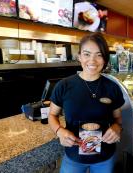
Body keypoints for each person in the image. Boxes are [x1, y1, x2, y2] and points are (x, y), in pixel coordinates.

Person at [48, 32, 125, 173]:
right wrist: (59, 131)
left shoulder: (112, 87)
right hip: (73, 157)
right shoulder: (63, 86)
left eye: (99, 55)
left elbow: (118, 119)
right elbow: (52, 115)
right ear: (79, 57)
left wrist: (117, 128)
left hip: (104, 158)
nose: (93, 60)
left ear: (105, 59)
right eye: (87, 54)